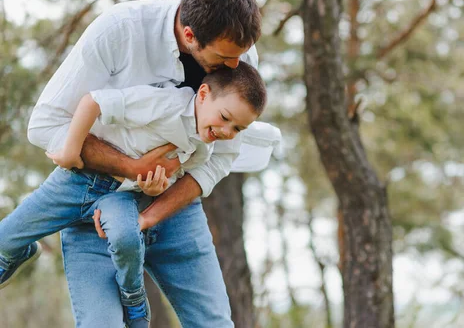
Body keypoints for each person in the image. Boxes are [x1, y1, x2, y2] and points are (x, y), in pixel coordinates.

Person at [23, 0, 275, 327]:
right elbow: (46, 125)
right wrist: (132, 166)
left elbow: (220, 159)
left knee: (214, 323)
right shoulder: (120, 30)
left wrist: (150, 216)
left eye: (240, 57)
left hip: (177, 209)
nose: (236, 66)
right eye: (225, 58)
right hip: (95, 207)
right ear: (190, 36)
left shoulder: (238, 53)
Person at [0, 63, 267, 328]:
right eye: (225, 118)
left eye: (237, 129)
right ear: (204, 94)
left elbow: (175, 174)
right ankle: (17, 250)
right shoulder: (165, 104)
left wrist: (155, 188)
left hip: (119, 196)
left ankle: (132, 294)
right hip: (77, 181)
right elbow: (94, 101)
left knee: (126, 238)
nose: (226, 132)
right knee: (7, 234)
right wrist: (71, 149)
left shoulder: (203, 147)